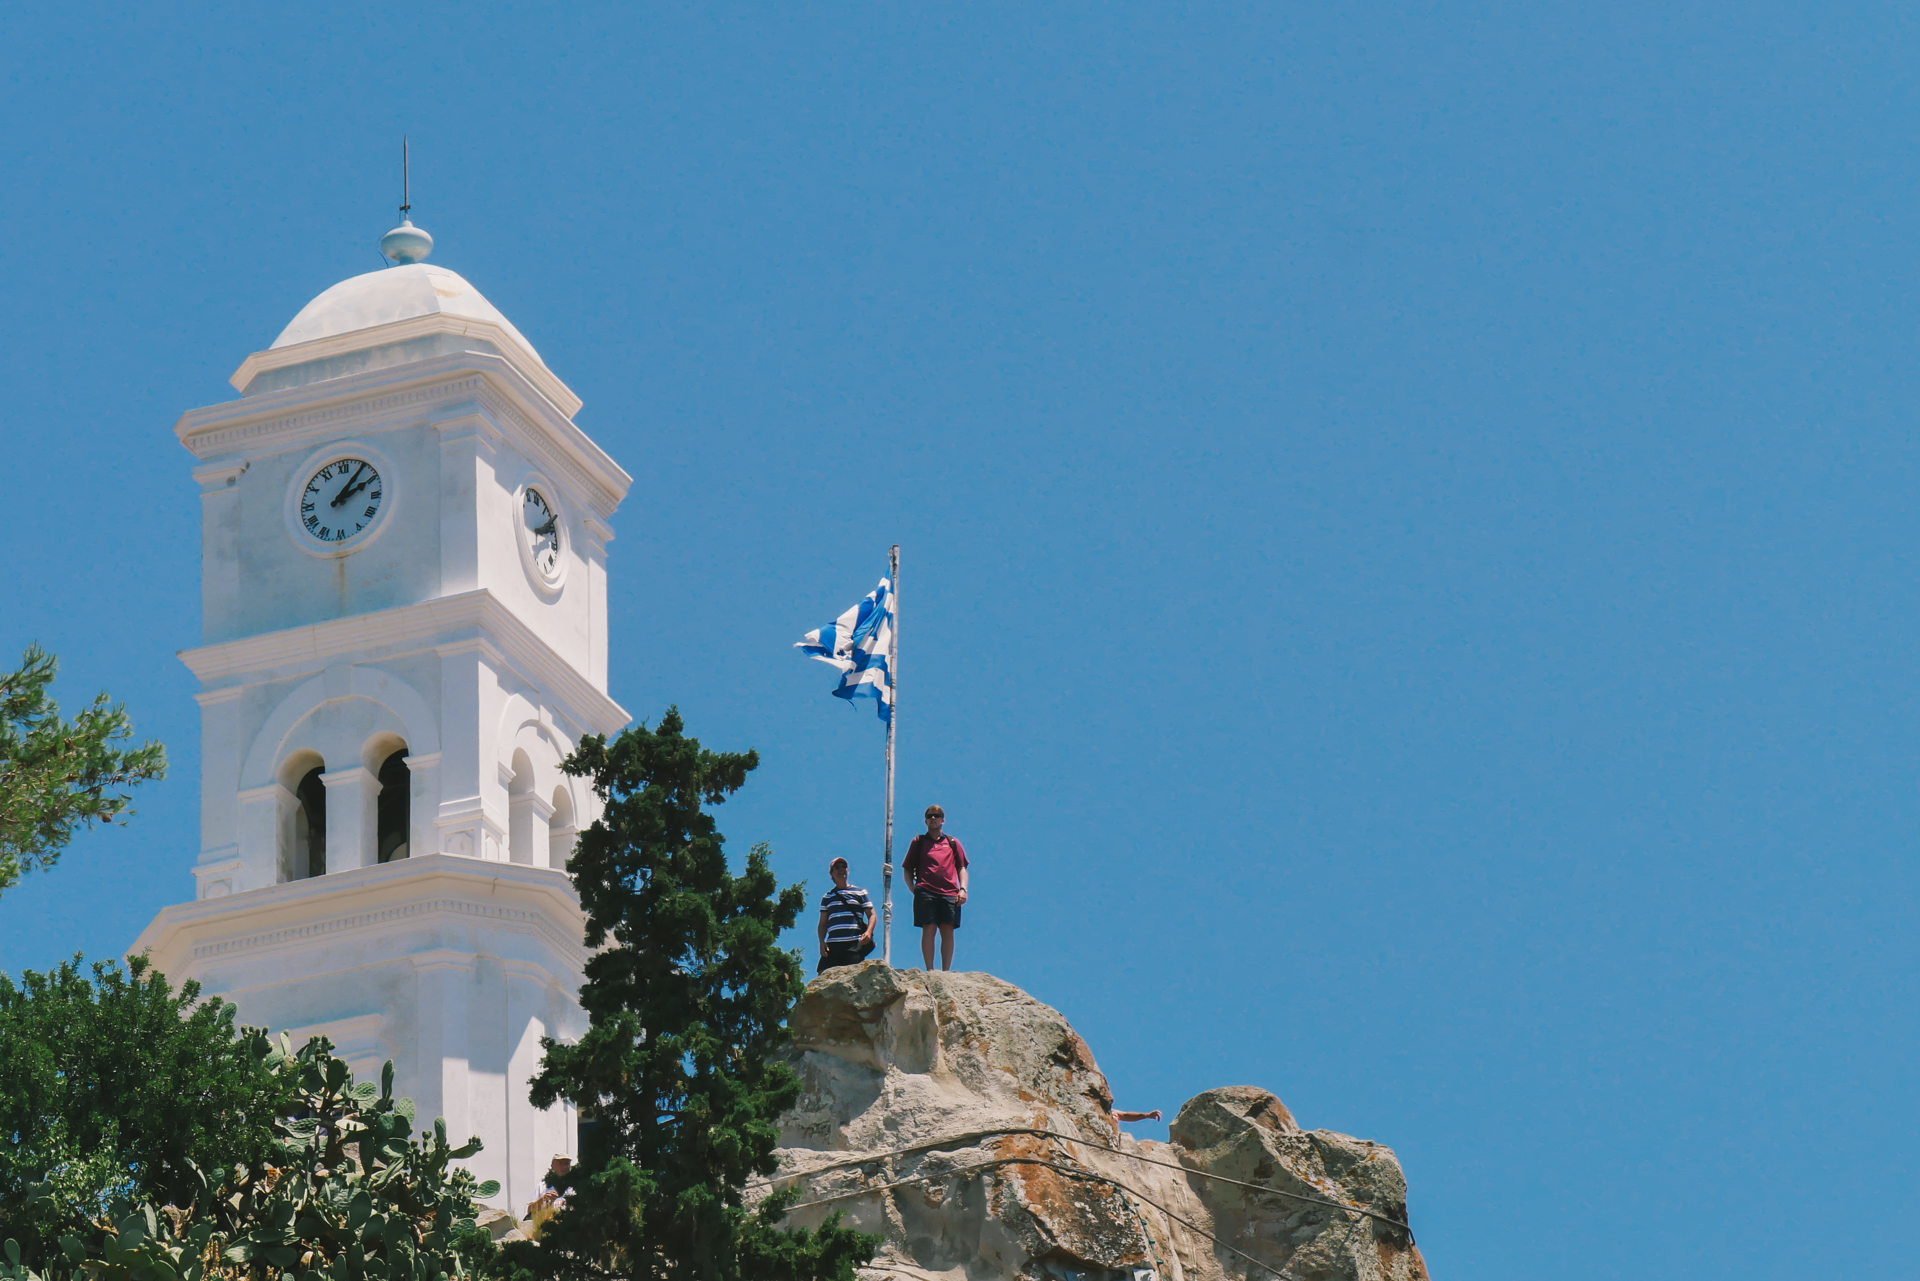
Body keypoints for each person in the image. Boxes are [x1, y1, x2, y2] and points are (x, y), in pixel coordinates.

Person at [902, 804, 968, 971]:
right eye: (930, 816)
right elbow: (908, 868)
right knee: (929, 928)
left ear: (942, 820)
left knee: (947, 930)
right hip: (926, 891)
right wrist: (913, 889)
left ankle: (946, 971)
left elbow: (961, 867)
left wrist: (963, 889)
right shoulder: (919, 842)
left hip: (949, 892)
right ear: (925, 821)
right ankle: (930, 970)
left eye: (936, 816)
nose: (933, 818)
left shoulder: (952, 843)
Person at [816, 856, 877, 974]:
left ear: (848, 871)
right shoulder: (827, 897)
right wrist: (821, 942)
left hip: (853, 943)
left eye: (844, 867)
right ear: (831, 873)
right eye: (837, 867)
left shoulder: (860, 892)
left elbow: (872, 915)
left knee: (854, 977)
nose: (841, 869)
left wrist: (868, 932)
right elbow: (823, 923)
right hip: (833, 945)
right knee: (823, 974)